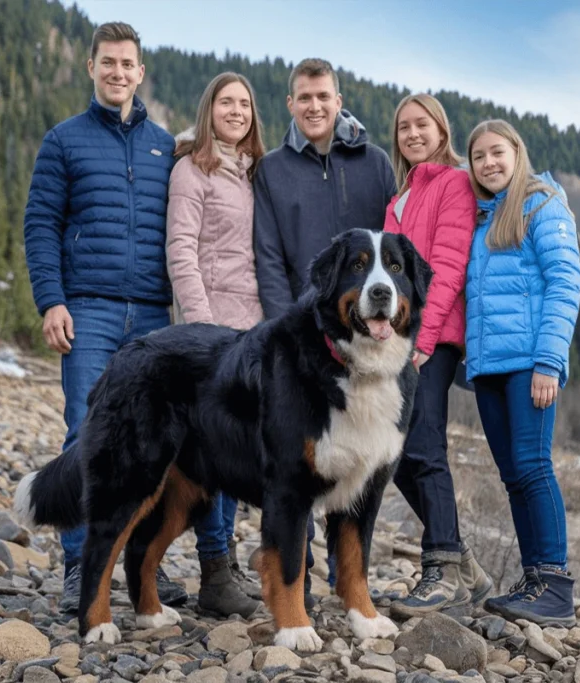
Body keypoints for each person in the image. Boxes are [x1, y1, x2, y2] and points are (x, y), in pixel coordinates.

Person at [23, 22, 187, 613]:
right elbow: (40, 225)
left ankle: (144, 568)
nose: (118, 72)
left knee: (154, 447)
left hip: (152, 318)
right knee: (85, 434)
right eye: (108, 63)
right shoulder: (63, 141)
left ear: (141, 74)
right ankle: (79, 567)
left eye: (128, 64)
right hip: (86, 311)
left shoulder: (166, 147)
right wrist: (52, 301)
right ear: (90, 67)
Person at [253, 57, 397, 604]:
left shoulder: (375, 161)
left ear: (339, 101)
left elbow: (396, 251)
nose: (315, 106)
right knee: (299, 467)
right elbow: (268, 257)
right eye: (304, 98)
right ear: (290, 104)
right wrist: (283, 331)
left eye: (324, 97)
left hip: (369, 348)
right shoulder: (272, 168)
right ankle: (297, 585)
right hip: (300, 343)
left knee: (356, 464)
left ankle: (352, 585)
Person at [464, 119, 580, 627]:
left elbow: (565, 283)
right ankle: (534, 579)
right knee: (513, 475)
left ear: (517, 153)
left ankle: (555, 584)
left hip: (530, 365)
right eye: (479, 156)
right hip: (489, 367)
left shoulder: (541, 204)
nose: (488, 163)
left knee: (534, 467)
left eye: (497, 152)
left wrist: (549, 361)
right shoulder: (483, 218)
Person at [382, 94, 493, 618]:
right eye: (403, 126)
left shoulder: (453, 183)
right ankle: (460, 561)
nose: (411, 133)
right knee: (395, 451)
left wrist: (423, 339)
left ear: (441, 129)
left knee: (424, 446)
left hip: (435, 340)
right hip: (400, 344)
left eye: (421, 124)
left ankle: (441, 568)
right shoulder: (400, 197)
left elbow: (448, 266)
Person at [166, 71, 266, 619]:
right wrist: (200, 327)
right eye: (226, 102)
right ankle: (213, 569)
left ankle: (223, 567)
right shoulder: (192, 169)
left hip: (250, 332)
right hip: (212, 332)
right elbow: (181, 250)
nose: (236, 111)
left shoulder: (252, 174)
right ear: (209, 109)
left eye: (245, 104)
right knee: (213, 455)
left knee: (238, 454)